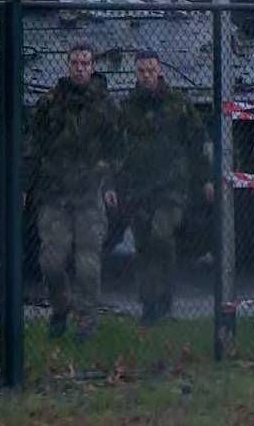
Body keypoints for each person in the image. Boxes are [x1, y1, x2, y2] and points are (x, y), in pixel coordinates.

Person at [28, 42, 121, 339]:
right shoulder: (50, 103)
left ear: (92, 67)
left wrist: (109, 182)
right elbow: (34, 146)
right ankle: (61, 306)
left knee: (88, 265)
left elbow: (118, 149)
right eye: (75, 64)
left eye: (85, 64)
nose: (80, 69)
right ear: (67, 66)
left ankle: (86, 324)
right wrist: (25, 186)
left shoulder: (106, 106)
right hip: (54, 193)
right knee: (51, 262)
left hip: (89, 194)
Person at [117, 50, 213, 324]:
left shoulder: (178, 103)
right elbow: (116, 147)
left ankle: (165, 298)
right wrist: (114, 183)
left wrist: (206, 178)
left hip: (171, 187)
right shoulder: (127, 107)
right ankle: (149, 304)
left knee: (161, 235)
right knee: (143, 245)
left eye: (151, 70)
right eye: (142, 71)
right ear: (136, 73)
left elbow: (197, 141)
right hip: (139, 188)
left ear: (159, 71)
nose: (147, 76)